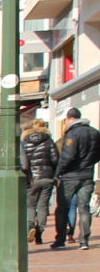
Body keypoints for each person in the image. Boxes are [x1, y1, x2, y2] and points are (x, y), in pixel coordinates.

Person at [51, 107, 98, 250]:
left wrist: (58, 173)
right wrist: (88, 164)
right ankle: (84, 240)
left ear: (70, 119)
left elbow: (68, 156)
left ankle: (60, 239)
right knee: (84, 208)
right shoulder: (95, 133)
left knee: (62, 208)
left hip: (70, 176)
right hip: (87, 175)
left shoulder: (72, 134)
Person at [20, 118, 58, 245]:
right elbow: (55, 159)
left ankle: (30, 227)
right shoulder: (49, 141)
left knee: (30, 205)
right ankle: (39, 233)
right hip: (47, 177)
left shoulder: (25, 142)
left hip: (32, 178)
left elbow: (23, 162)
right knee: (42, 206)